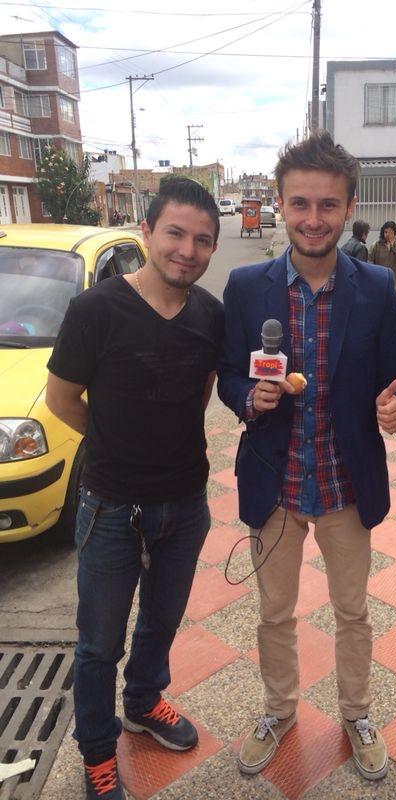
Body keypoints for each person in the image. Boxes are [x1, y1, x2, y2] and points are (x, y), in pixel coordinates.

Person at [217, 130, 396, 782]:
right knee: (275, 613)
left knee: (352, 612)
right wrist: (250, 398)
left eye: (328, 204)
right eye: (300, 203)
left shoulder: (376, 287)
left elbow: (395, 375)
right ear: (280, 203)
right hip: (274, 482)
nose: (314, 218)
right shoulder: (247, 286)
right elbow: (228, 374)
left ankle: (357, 713)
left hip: (346, 483)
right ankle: (279, 710)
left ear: (349, 206)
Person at [45, 178, 224, 800]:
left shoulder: (210, 315)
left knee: (162, 620)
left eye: (202, 241)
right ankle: (97, 750)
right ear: (146, 232)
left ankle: (144, 701)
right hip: (111, 506)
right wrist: (114, 442)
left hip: (186, 502)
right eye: (175, 233)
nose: (187, 251)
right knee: (98, 643)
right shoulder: (95, 310)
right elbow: (61, 399)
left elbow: (199, 393)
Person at [368, 220, 396, 291]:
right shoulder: (376, 245)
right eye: (385, 232)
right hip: (380, 281)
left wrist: (393, 244)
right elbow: (369, 261)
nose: (387, 234)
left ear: (395, 233)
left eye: (390, 232)